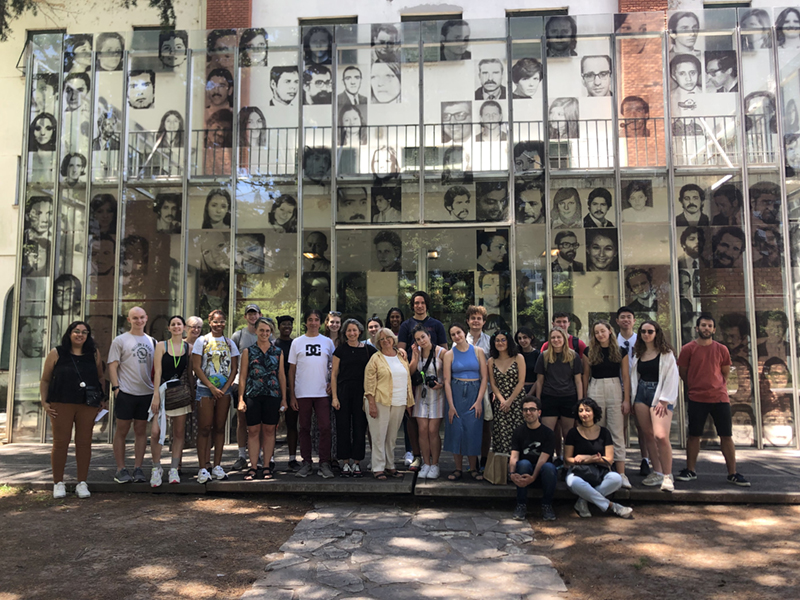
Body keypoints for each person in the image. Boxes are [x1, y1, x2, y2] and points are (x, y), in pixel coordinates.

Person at [676, 314, 750, 486]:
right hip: (696, 398)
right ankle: (690, 470)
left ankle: (732, 473)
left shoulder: (722, 349)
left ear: (714, 330)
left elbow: (725, 372)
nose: (706, 328)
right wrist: (695, 385)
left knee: (726, 435)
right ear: (697, 328)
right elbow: (683, 373)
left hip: (720, 398)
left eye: (710, 326)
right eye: (703, 325)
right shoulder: (688, 349)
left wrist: (715, 386)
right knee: (694, 435)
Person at [40, 321, 106, 499]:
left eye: (84, 332)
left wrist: (103, 399)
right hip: (61, 403)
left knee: (84, 443)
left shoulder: (93, 353)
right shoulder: (57, 353)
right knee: (61, 443)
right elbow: (45, 379)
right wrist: (44, 402)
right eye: (76, 331)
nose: (80, 335)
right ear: (69, 334)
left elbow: (100, 377)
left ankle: (82, 483)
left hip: (87, 405)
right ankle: (58, 483)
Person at [630, 320, 678, 492]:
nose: (646, 334)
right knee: (648, 434)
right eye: (643, 331)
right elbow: (635, 377)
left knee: (661, 436)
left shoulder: (666, 354)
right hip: (641, 395)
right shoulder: (638, 353)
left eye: (650, 331)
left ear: (657, 333)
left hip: (660, 395)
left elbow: (672, 378)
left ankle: (667, 475)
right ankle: (657, 472)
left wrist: (664, 400)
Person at [108, 306, 155, 484]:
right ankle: (121, 469)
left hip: (146, 393)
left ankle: (138, 468)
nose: (139, 321)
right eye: (135, 318)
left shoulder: (152, 341)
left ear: (146, 318)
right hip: (126, 392)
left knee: (141, 431)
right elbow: (112, 365)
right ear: (129, 320)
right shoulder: (120, 340)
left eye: (142, 317)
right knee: (122, 430)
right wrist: (116, 388)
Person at [192, 309, 239, 484]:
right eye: (215, 321)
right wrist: (211, 387)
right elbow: (197, 367)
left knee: (220, 428)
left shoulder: (229, 343)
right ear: (209, 322)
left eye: (222, 321)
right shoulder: (202, 341)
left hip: (224, 391)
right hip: (205, 389)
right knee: (205, 428)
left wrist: (225, 388)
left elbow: (234, 368)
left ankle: (218, 465)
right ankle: (203, 467)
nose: (219, 325)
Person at [564, 398, 633, 518]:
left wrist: (588, 458)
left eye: (587, 410)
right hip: (578, 472)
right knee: (575, 483)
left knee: (617, 479)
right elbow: (567, 459)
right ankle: (613, 506)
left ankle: (583, 501)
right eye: (580, 411)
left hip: (600, 471)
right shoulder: (572, 433)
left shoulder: (604, 432)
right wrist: (586, 460)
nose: (584, 414)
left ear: (594, 412)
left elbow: (609, 459)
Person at [583, 320, 631, 488]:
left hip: (614, 388)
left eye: (603, 331)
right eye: (597, 332)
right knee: (597, 429)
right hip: (595, 387)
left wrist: (626, 399)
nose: (600, 335)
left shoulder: (620, 351)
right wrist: (583, 399)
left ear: (610, 331)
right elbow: (585, 376)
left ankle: (622, 473)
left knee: (616, 430)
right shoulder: (589, 351)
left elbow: (625, 376)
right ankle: (603, 470)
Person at [238, 318, 287, 480]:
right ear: (256, 331)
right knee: (252, 431)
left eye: (268, 331)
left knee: (269, 430)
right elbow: (243, 376)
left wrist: (284, 399)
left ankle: (266, 466)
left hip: (272, 395)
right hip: (253, 395)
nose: (265, 333)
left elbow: (281, 376)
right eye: (262, 330)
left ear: (271, 332)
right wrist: (241, 399)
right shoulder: (248, 351)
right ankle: (253, 466)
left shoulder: (277, 352)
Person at [289, 309, 336, 478]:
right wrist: (292, 395)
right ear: (306, 322)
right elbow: (292, 370)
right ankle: (307, 462)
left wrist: (332, 383)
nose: (313, 322)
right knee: (304, 428)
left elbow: (333, 366)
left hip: (322, 392)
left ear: (320, 322)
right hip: (303, 392)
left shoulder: (328, 342)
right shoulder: (297, 342)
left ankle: (324, 462)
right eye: (310, 319)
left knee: (325, 427)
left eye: (316, 319)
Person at [149, 315, 194, 486]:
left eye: (179, 324)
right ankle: (156, 468)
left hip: (181, 394)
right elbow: (158, 372)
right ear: (169, 328)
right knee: (156, 433)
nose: (176, 327)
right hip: (163, 393)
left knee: (178, 433)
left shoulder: (188, 347)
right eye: (173, 324)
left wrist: (192, 394)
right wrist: (156, 396)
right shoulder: (161, 346)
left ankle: (174, 468)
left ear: (184, 328)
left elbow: (189, 372)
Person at [364, 328, 414, 479]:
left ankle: (390, 466)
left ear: (393, 339)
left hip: (398, 401)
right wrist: (371, 403)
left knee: (391, 437)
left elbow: (407, 378)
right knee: (379, 436)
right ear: (378, 343)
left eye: (388, 338)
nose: (385, 341)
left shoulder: (401, 356)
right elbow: (369, 382)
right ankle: (378, 467)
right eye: (382, 339)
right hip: (379, 401)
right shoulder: (376, 358)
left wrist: (408, 402)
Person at [443, 322, 488, 481]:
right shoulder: (449, 354)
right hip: (455, 393)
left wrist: (478, 401)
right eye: (453, 334)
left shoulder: (478, 351)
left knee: (473, 430)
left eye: (459, 332)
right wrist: (451, 405)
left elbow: (484, 378)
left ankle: (473, 468)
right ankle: (457, 468)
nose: (457, 336)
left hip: (474, 392)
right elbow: (447, 381)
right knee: (456, 430)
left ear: (464, 332)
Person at [332, 319, 376, 478]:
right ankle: (344, 462)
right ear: (345, 333)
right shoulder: (340, 350)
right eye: (349, 330)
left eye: (354, 330)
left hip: (362, 393)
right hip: (343, 392)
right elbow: (334, 374)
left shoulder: (369, 350)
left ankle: (357, 462)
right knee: (342, 427)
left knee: (359, 427)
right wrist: (335, 397)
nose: (352, 333)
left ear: (359, 332)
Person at [535, 327, 584, 466]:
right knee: (548, 432)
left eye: (559, 337)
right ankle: (548, 463)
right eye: (553, 338)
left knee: (568, 432)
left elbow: (578, 380)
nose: (556, 340)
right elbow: (540, 381)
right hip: (549, 397)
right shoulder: (544, 356)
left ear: (564, 339)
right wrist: (538, 401)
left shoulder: (573, 356)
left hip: (569, 397)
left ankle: (568, 464)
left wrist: (580, 401)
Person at [510, 396, 557, 521]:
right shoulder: (518, 432)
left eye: (532, 409)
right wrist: (512, 473)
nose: (528, 412)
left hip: (542, 475)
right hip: (523, 472)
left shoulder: (548, 433)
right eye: (525, 410)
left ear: (539, 412)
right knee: (523, 463)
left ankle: (547, 505)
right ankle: (521, 505)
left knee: (549, 467)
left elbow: (543, 459)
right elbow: (514, 455)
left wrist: (533, 477)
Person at [409, 324, 446, 479]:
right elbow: (409, 372)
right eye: (418, 339)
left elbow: (449, 372)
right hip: (421, 395)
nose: (421, 341)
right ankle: (426, 463)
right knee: (422, 430)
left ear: (429, 336)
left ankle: (435, 464)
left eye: (423, 337)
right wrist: (415, 357)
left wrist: (442, 384)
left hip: (437, 395)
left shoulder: (441, 352)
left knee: (433, 431)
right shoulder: (416, 352)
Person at [230, 304, 263, 472]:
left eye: (255, 313)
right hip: (240, 383)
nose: (252, 317)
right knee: (242, 421)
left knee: (260, 422)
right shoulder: (238, 335)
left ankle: (260, 454)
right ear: (245, 317)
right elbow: (232, 361)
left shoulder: (266, 334)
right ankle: (242, 455)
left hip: (260, 385)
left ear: (260, 315)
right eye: (249, 314)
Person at [487, 330, 526, 465]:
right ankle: (503, 470)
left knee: (518, 434)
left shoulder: (518, 357)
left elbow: (521, 381)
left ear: (508, 341)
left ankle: (519, 466)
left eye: (503, 339)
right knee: (501, 435)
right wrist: (502, 401)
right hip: (501, 403)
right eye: (497, 340)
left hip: (517, 401)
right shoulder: (491, 361)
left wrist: (510, 400)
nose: (500, 343)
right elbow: (493, 384)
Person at [275, 315, 300, 470]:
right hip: (275, 390)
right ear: (279, 327)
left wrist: (292, 389)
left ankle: (292, 458)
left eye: (289, 324)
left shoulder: (295, 344)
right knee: (271, 425)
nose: (287, 327)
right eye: (284, 324)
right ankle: (269, 459)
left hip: (292, 389)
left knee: (292, 424)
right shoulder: (273, 345)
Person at [515, 327, 540, 395]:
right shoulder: (515, 355)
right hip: (516, 390)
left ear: (531, 337)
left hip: (533, 389)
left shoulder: (538, 355)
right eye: (519, 338)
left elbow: (539, 379)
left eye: (525, 337)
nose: (522, 340)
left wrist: (529, 394)